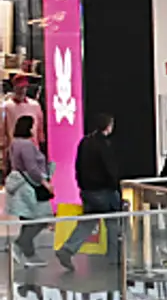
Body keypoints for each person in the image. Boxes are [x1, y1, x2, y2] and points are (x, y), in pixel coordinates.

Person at [63, 111, 118, 269]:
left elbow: (77, 166)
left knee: (87, 223)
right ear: (108, 126)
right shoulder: (103, 145)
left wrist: (81, 185)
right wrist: (115, 186)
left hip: (87, 190)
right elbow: (110, 169)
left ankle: (68, 249)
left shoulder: (85, 142)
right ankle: (115, 257)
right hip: (104, 191)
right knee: (114, 223)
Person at [5, 115, 51, 271]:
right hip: (29, 188)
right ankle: (20, 245)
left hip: (22, 186)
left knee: (27, 220)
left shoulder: (14, 144)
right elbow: (31, 168)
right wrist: (45, 183)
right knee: (41, 218)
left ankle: (28, 254)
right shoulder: (26, 145)